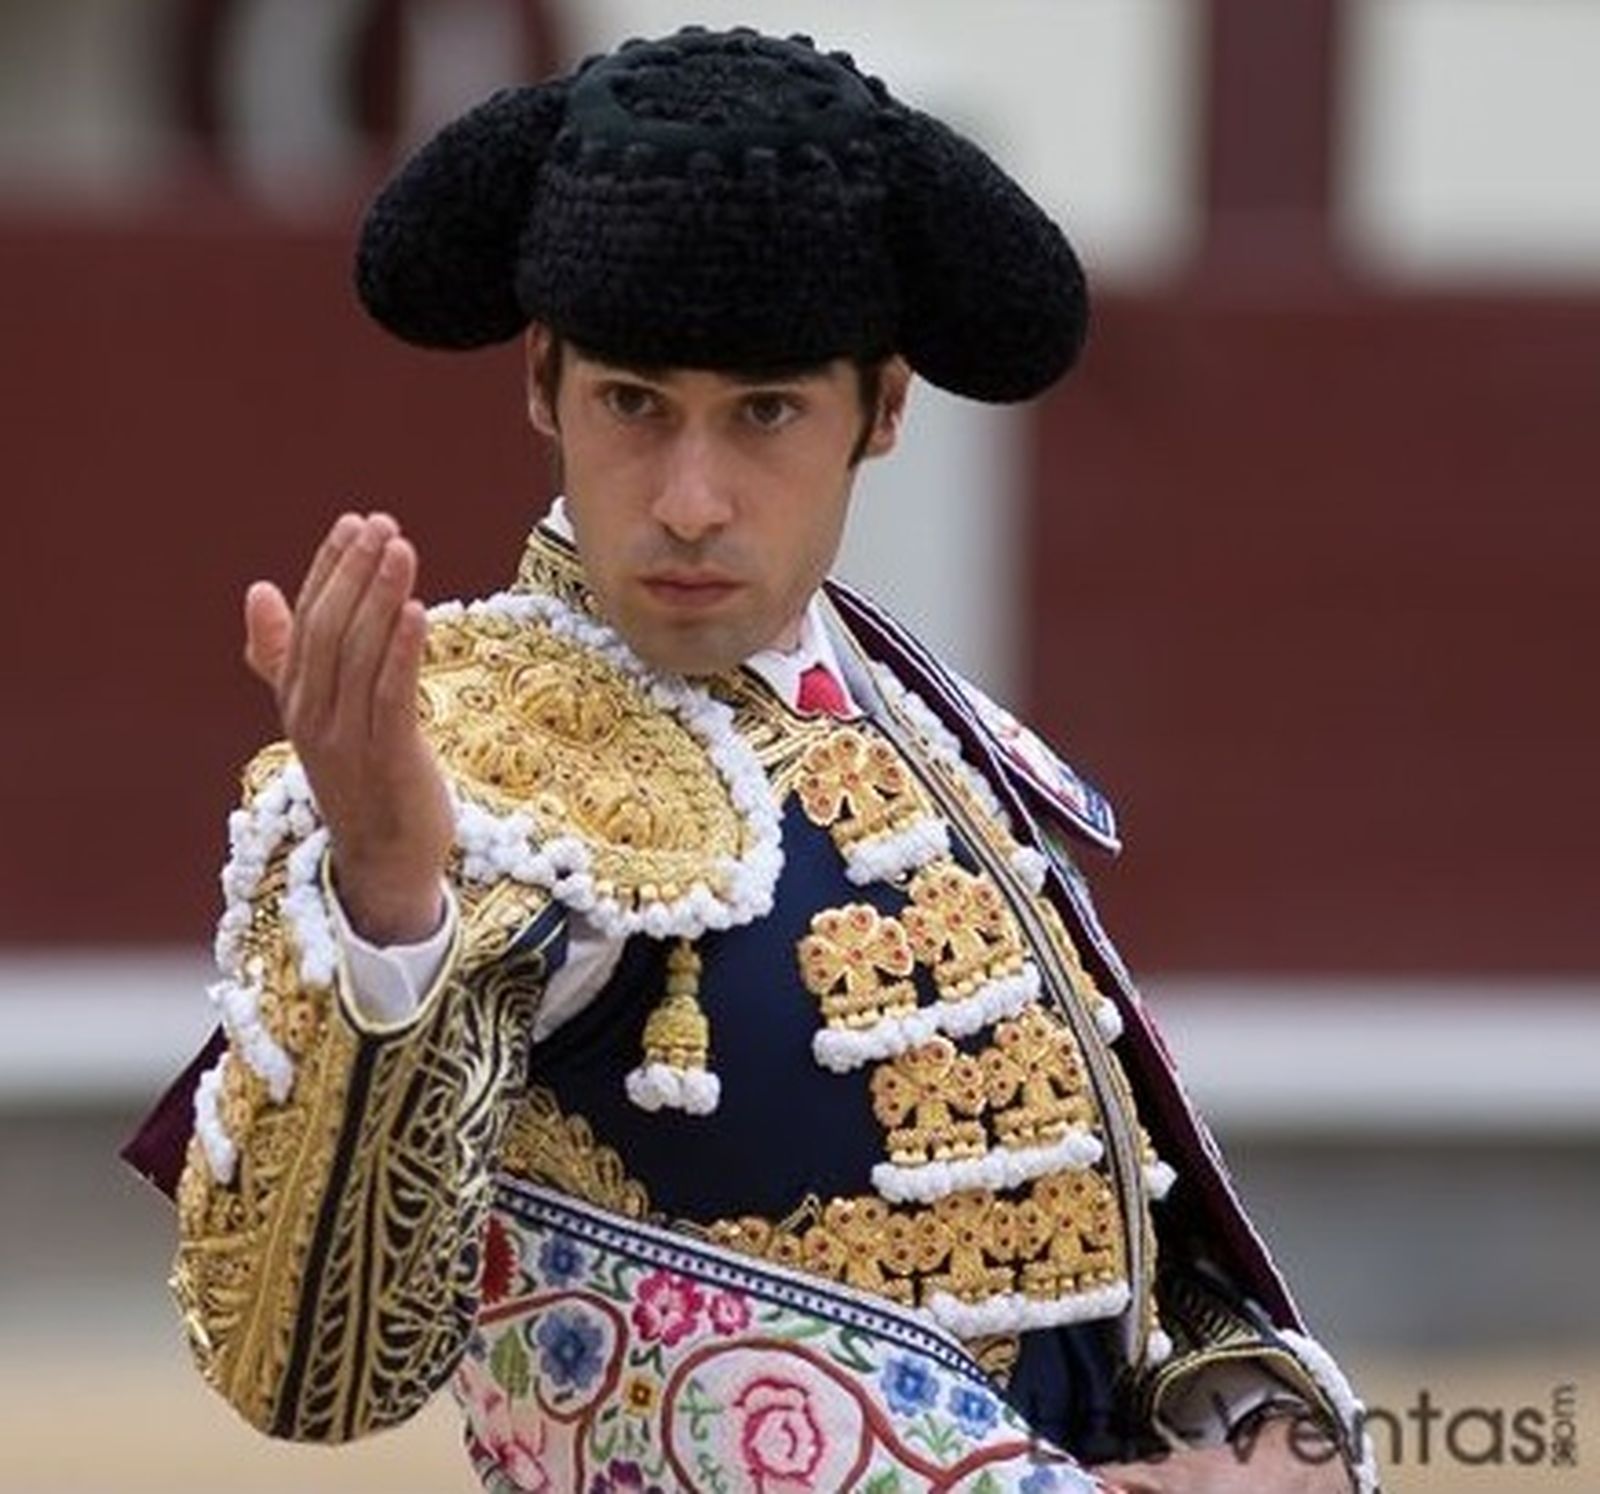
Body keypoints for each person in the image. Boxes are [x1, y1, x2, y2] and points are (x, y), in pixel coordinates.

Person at [127, 26, 1377, 1494]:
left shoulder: (914, 716)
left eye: (766, 411)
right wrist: (393, 901)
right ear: (545, 382)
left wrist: (1250, 1440)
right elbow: (308, 1369)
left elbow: (1118, 1274)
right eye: (634, 405)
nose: (694, 499)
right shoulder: (462, 759)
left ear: (885, 409)